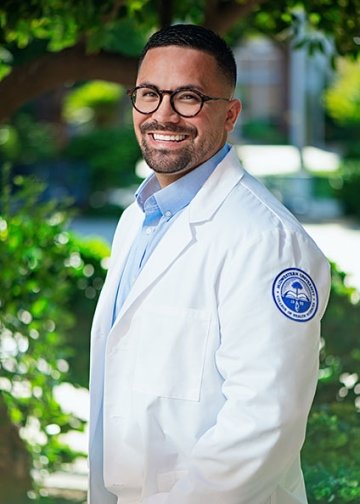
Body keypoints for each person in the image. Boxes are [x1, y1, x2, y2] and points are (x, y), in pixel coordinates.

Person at [88, 24, 331, 504]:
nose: (164, 114)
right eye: (149, 94)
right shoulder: (136, 219)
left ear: (231, 114)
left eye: (189, 98)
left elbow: (263, 425)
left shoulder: (268, 241)